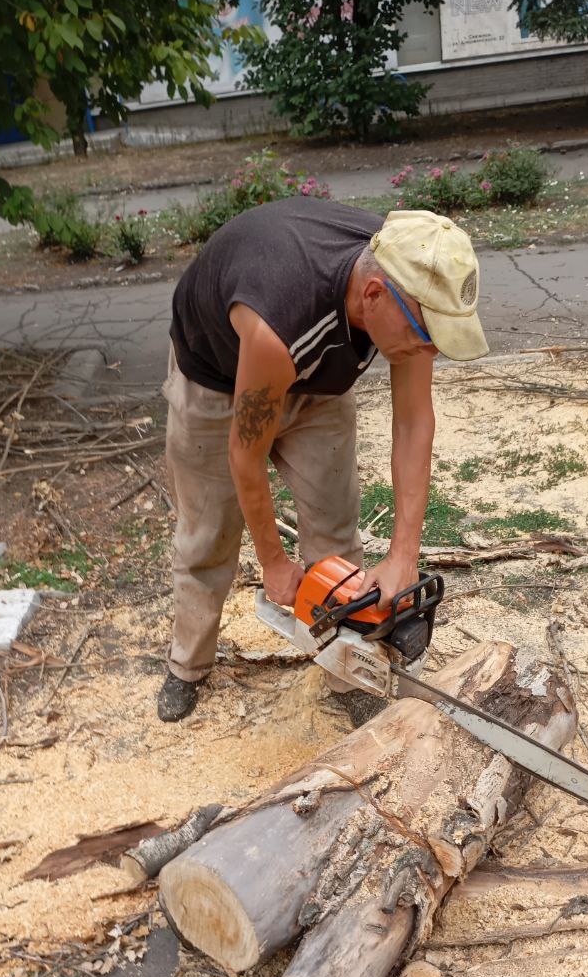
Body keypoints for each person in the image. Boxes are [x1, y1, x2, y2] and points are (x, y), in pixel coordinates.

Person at [158, 197, 488, 722]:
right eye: (427, 337)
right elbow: (246, 457)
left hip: (320, 377)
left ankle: (345, 669)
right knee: (207, 534)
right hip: (219, 381)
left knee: (335, 525)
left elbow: (413, 423)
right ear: (375, 296)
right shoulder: (280, 318)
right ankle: (187, 664)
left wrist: (404, 553)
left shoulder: (410, 273)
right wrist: (273, 564)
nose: (431, 352)